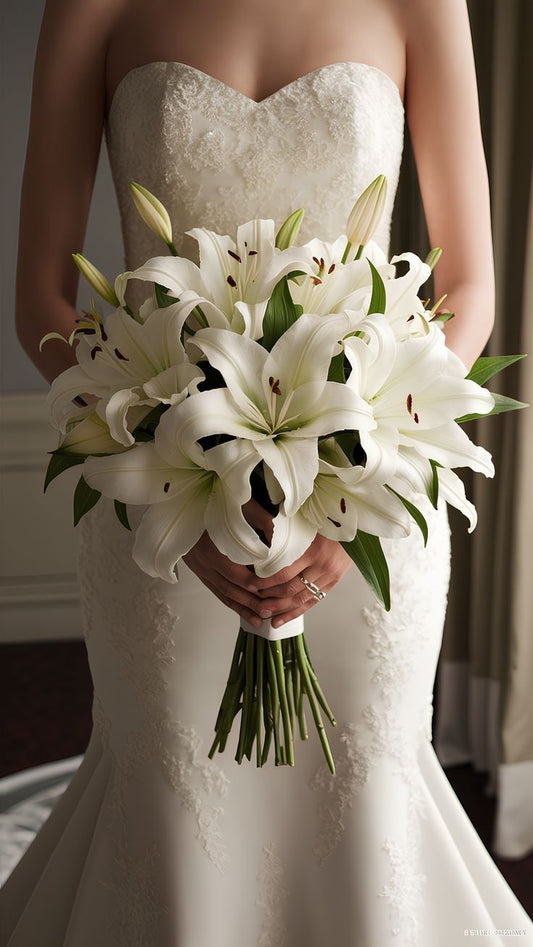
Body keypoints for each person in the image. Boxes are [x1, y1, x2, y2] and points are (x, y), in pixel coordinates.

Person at [1, 0, 531, 943]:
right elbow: (41, 292)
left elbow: (468, 286)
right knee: (171, 790)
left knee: (363, 793)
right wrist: (163, 460)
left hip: (367, 488)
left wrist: (358, 489)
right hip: (158, 502)